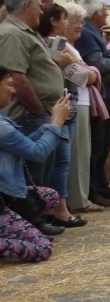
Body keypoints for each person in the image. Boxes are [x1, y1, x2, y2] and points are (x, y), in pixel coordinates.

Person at [0, 67, 72, 261]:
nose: (13, 91)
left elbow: (28, 146)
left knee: (50, 196)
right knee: (42, 248)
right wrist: (56, 123)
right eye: (9, 85)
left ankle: (10, 229)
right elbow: (37, 153)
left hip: (7, 195)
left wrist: (50, 124)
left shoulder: (3, 119)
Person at [75, 0, 110, 207]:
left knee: (103, 143)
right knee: (97, 145)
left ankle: (102, 186)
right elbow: (98, 64)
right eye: (104, 10)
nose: (107, 14)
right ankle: (94, 189)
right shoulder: (87, 34)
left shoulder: (93, 32)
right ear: (95, 13)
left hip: (102, 93)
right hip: (97, 94)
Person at [37, 4, 87, 228]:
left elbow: (85, 73)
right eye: (65, 19)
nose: (68, 24)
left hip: (68, 105)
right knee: (54, 161)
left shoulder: (62, 45)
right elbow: (83, 74)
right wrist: (64, 63)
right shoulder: (43, 44)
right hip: (55, 107)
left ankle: (59, 209)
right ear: (54, 20)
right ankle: (55, 209)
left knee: (62, 161)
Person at [63, 3, 103, 214]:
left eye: (80, 21)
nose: (79, 25)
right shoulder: (61, 46)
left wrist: (90, 72)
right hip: (75, 102)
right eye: (74, 21)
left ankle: (80, 197)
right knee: (78, 153)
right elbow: (81, 76)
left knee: (83, 152)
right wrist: (92, 71)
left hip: (83, 101)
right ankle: (78, 199)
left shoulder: (73, 47)